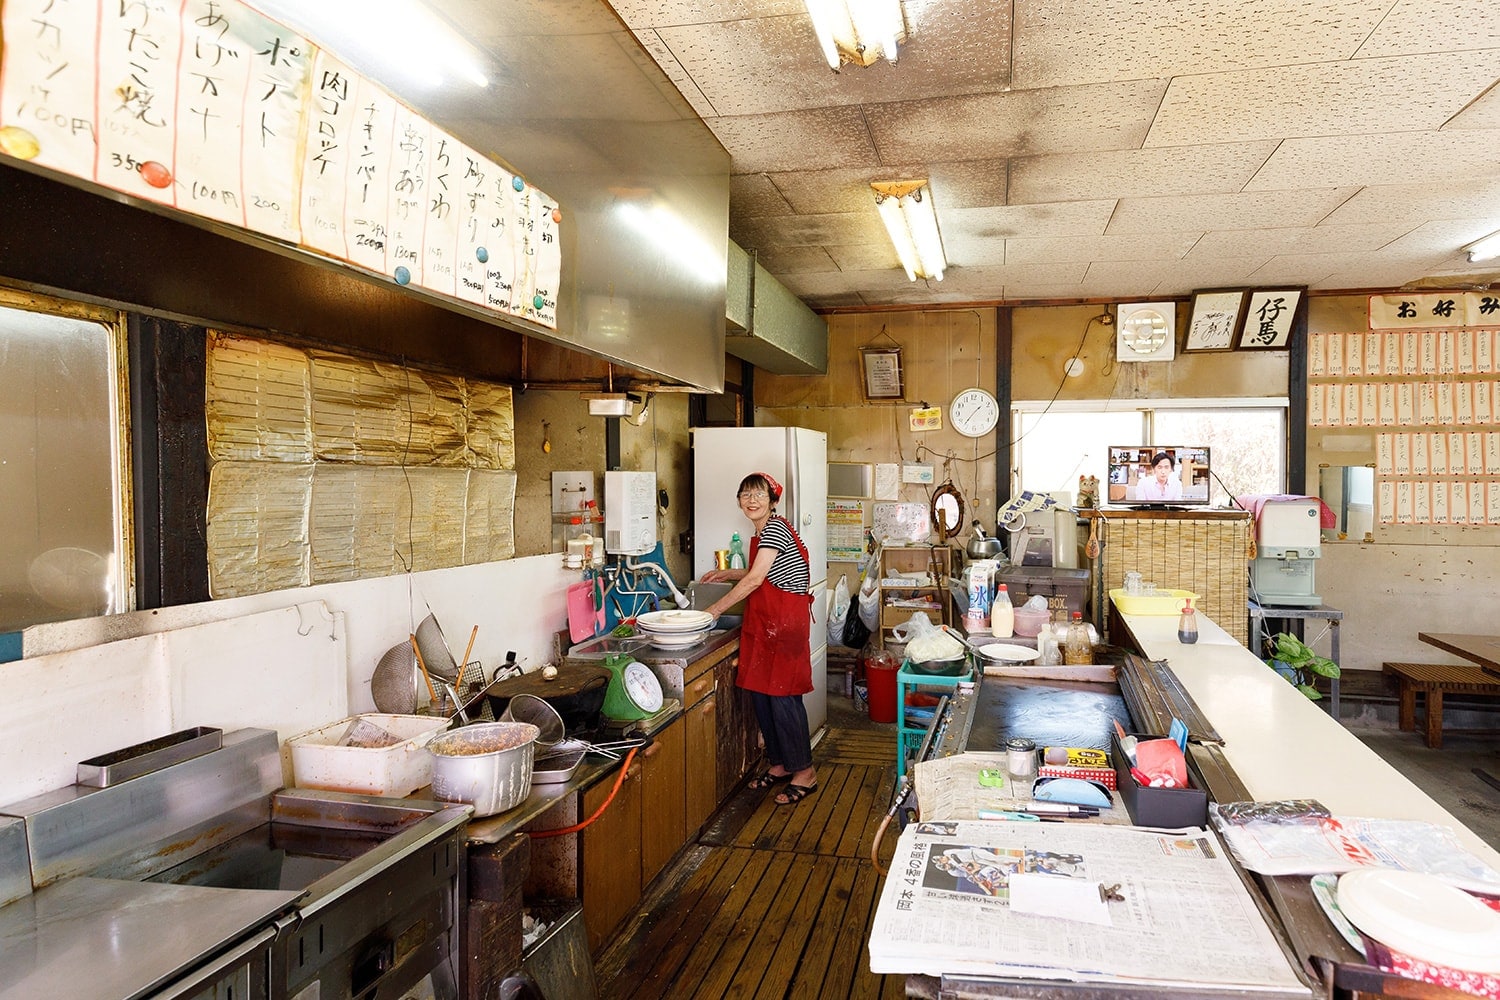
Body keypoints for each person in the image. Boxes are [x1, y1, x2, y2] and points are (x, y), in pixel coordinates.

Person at [701, 472, 818, 805]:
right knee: (763, 696)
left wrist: (715, 609)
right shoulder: (764, 531)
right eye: (745, 494)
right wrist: (729, 573)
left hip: (783, 624)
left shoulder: (776, 529)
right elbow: (764, 570)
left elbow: (756, 580)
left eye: (759, 495)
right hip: (768, 622)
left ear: (773, 501)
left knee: (783, 697)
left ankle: (805, 772)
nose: (751, 500)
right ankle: (781, 764)